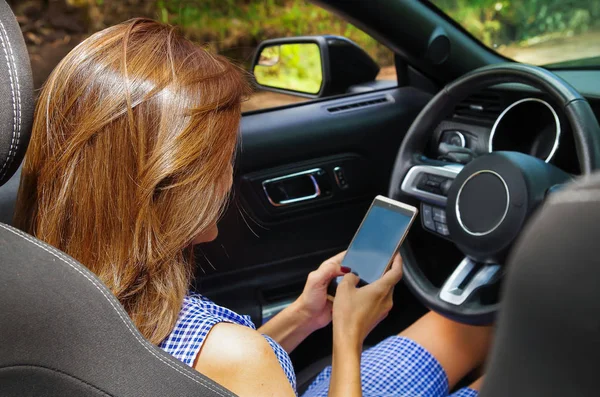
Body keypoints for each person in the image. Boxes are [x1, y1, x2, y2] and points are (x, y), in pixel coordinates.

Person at [14, 19, 492, 397]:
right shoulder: (235, 355)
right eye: (225, 159)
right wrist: (348, 335)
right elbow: (235, 367)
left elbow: (199, 379)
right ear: (176, 185)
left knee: (463, 327)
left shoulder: (40, 284)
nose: (229, 177)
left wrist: (305, 316)